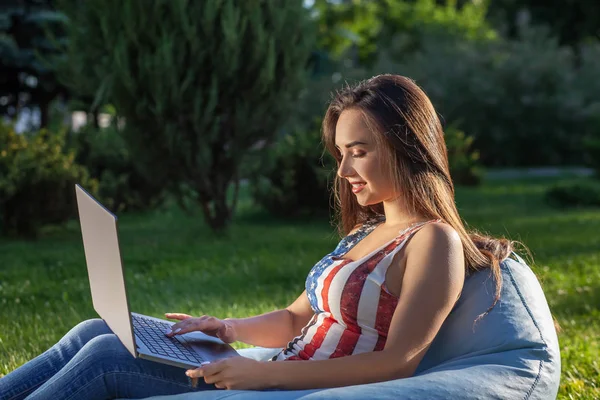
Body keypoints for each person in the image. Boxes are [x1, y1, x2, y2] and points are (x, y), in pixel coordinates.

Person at [0, 74, 515, 399]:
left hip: (283, 385)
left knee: (104, 358)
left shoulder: (433, 241)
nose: (344, 171)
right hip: (272, 369)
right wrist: (225, 329)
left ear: (406, 146)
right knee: (94, 331)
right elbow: (294, 318)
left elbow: (396, 362)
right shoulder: (368, 231)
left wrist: (261, 376)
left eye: (358, 151)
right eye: (341, 154)